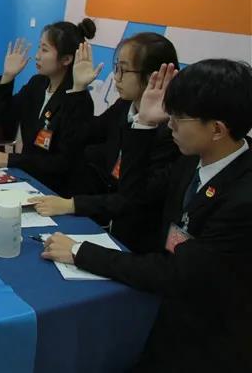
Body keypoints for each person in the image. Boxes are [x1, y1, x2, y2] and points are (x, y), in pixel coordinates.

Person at [42, 60, 252, 372]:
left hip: (208, 337)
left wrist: (80, 252)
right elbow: (132, 197)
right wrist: (143, 125)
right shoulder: (193, 158)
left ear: (217, 129)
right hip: (168, 310)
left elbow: (175, 273)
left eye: (178, 118)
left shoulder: (242, 199)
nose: (171, 125)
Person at [31, 33, 181, 253]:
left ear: (153, 76)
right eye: (116, 67)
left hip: (139, 240)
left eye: (123, 70)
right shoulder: (124, 106)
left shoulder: (171, 132)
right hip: (109, 220)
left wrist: (72, 204)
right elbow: (79, 137)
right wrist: (78, 88)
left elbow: (137, 198)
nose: (116, 77)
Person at [0, 19, 96, 192]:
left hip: (54, 190)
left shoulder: (78, 100)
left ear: (66, 59)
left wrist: (12, 159)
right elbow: (0, 120)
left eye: (45, 50)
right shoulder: (37, 83)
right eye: (39, 47)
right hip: (27, 177)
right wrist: (7, 77)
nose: (37, 56)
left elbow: (62, 162)